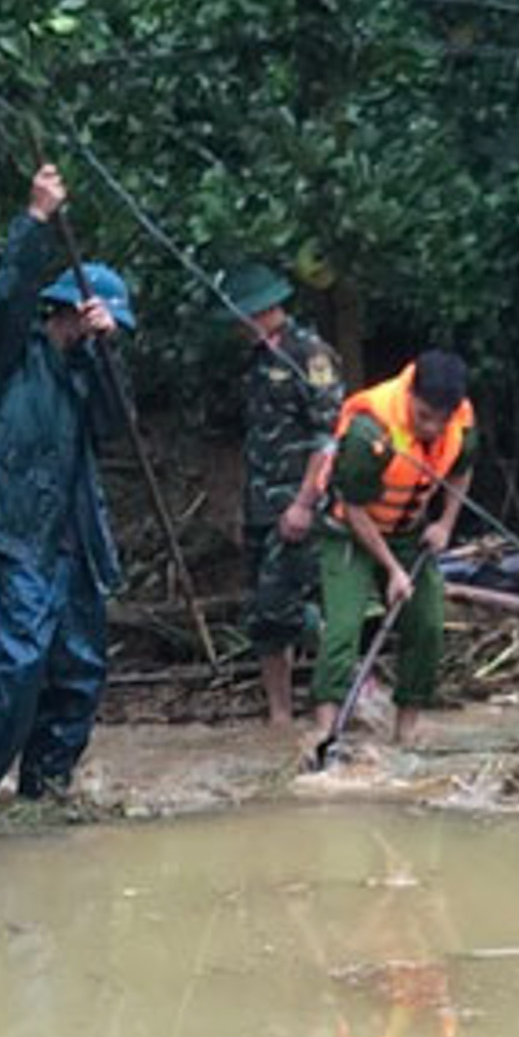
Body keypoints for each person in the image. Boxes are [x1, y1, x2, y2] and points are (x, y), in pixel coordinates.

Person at [0, 165, 129, 818]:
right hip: (20, 530)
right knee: (21, 660)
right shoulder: (19, 352)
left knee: (80, 668)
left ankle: (46, 788)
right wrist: (35, 220)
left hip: (76, 537)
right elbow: (0, 298)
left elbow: (114, 424)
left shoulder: (87, 366)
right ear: (67, 310)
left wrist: (108, 353)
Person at [307, 350, 475, 747]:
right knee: (344, 628)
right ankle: (324, 732)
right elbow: (353, 507)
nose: (433, 428)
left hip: (407, 531)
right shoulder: (371, 430)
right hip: (348, 529)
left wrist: (445, 524)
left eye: (441, 419)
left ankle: (407, 727)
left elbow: (463, 469)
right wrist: (392, 570)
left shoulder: (461, 422)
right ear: (411, 396)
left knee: (428, 622)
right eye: (423, 417)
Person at [223, 259, 343, 728]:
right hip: (260, 504)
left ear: (266, 309)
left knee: (287, 608)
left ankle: (342, 688)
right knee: (263, 614)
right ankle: (279, 715)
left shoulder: (309, 354)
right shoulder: (254, 360)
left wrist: (304, 503)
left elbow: (328, 437)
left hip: (298, 504)